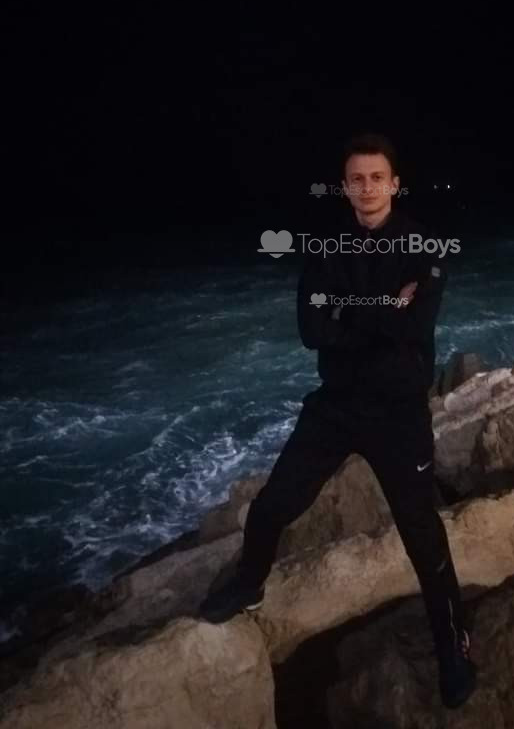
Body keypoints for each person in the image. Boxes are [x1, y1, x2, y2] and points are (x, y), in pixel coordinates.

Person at [198, 132, 477, 709]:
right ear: (345, 187)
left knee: (422, 533)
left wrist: (348, 313)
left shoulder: (423, 247)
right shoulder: (327, 248)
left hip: (399, 412)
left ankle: (453, 644)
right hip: (337, 405)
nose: (367, 187)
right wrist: (383, 311)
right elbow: (311, 331)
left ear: (394, 184)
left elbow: (413, 329)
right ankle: (249, 583)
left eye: (377, 178)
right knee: (271, 506)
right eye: (356, 179)